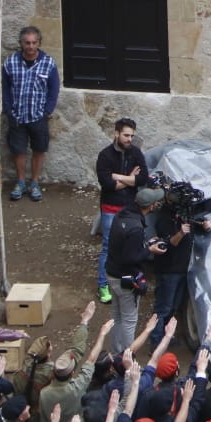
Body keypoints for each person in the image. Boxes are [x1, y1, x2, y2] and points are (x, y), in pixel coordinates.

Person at [106, 186, 169, 354]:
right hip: (125, 278)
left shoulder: (122, 214)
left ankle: (115, 353)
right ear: (150, 206)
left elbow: (125, 247)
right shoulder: (135, 227)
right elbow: (131, 257)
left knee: (117, 316)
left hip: (112, 272)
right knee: (129, 320)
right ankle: (126, 357)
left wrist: (146, 244)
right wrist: (150, 250)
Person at [94, 118, 149, 304]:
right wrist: (129, 178)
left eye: (132, 135)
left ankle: (129, 279)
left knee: (132, 245)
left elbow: (142, 179)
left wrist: (119, 177)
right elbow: (107, 184)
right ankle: (103, 285)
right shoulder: (105, 155)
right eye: (126, 135)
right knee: (108, 246)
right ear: (116, 133)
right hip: (110, 207)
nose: (129, 139)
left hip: (129, 208)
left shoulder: (135, 152)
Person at [2, 26, 60, 201]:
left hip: (38, 116)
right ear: (21, 43)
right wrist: (8, 109)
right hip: (17, 116)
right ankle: (20, 182)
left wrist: (47, 111)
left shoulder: (48, 63)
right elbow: (5, 88)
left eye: (34, 43)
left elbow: (54, 89)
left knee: (39, 149)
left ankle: (34, 182)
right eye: (27, 43)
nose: (30, 46)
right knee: (18, 150)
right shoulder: (10, 63)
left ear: (39, 43)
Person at [148, 185, 211, 329]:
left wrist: (208, 225)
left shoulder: (187, 214)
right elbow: (169, 244)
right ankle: (155, 342)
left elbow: (202, 221)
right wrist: (181, 233)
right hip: (168, 270)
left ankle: (166, 337)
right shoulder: (163, 218)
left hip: (183, 268)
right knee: (163, 308)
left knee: (174, 307)